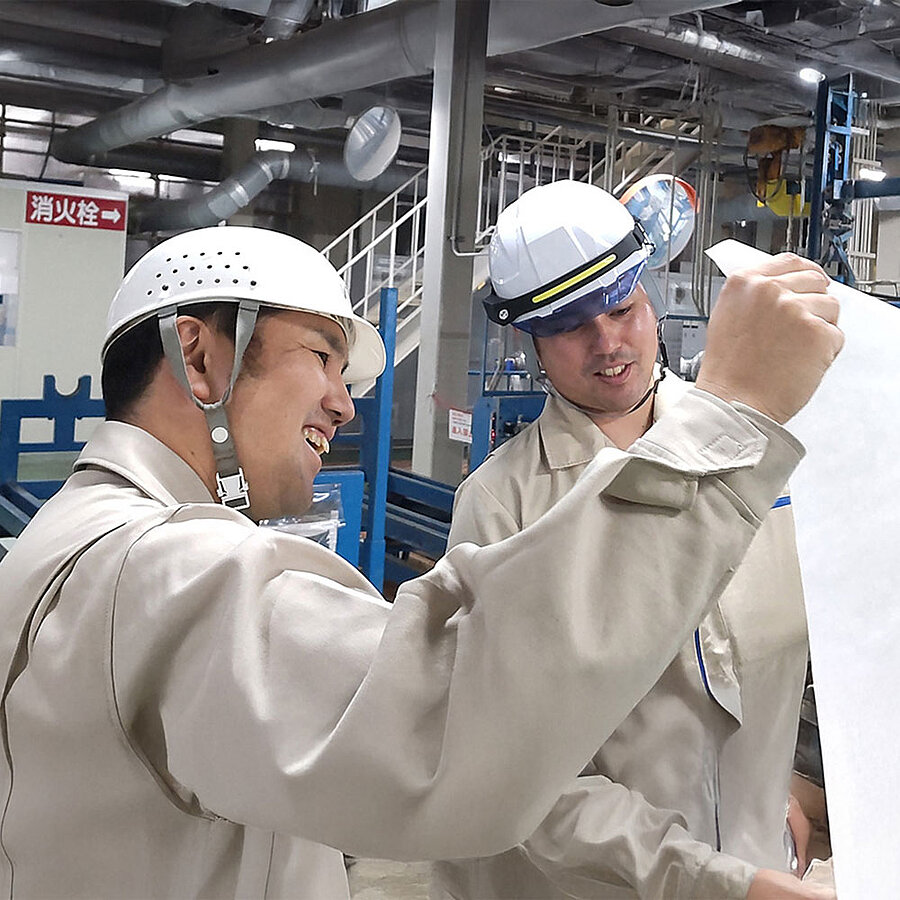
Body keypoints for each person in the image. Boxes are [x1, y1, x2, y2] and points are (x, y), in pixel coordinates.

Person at [0, 224, 840, 899]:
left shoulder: (64, 543)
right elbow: (450, 719)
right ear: (199, 356)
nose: (344, 398)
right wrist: (734, 414)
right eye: (322, 356)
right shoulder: (161, 568)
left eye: (622, 307)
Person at [433, 180, 832, 900]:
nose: (608, 343)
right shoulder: (503, 506)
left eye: (623, 309)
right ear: (529, 339)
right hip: (613, 885)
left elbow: (783, 660)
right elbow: (522, 772)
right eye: (571, 328)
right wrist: (721, 880)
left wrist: (789, 788)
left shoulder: (758, 453)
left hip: (761, 862)